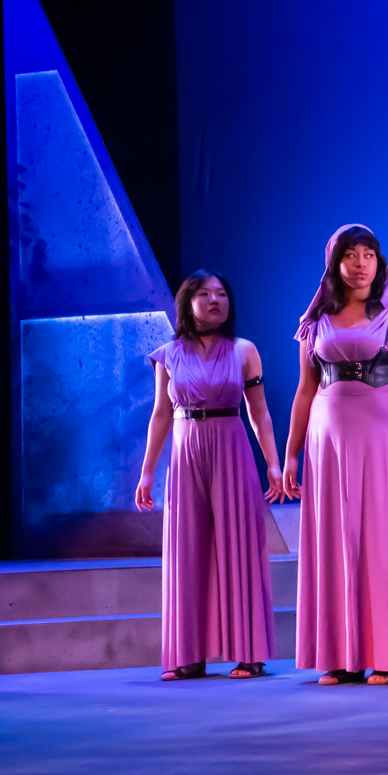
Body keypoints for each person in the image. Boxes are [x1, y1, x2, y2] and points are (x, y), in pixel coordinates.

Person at [283, 224, 388, 686]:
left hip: (385, 432)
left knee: (381, 537)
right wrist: (290, 455)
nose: (360, 262)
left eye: (368, 253)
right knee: (335, 539)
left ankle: (386, 654)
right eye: (350, 254)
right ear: (335, 263)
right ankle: (339, 655)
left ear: (379, 261)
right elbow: (304, 390)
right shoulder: (315, 321)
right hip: (329, 439)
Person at [136, 269, 283, 681]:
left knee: (240, 544)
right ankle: (189, 654)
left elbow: (259, 412)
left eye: (221, 293)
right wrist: (147, 472)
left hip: (231, 446)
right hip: (185, 451)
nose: (215, 300)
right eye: (204, 294)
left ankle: (249, 652)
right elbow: (160, 415)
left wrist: (272, 463)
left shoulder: (243, 350)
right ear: (188, 302)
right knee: (187, 549)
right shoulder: (168, 355)